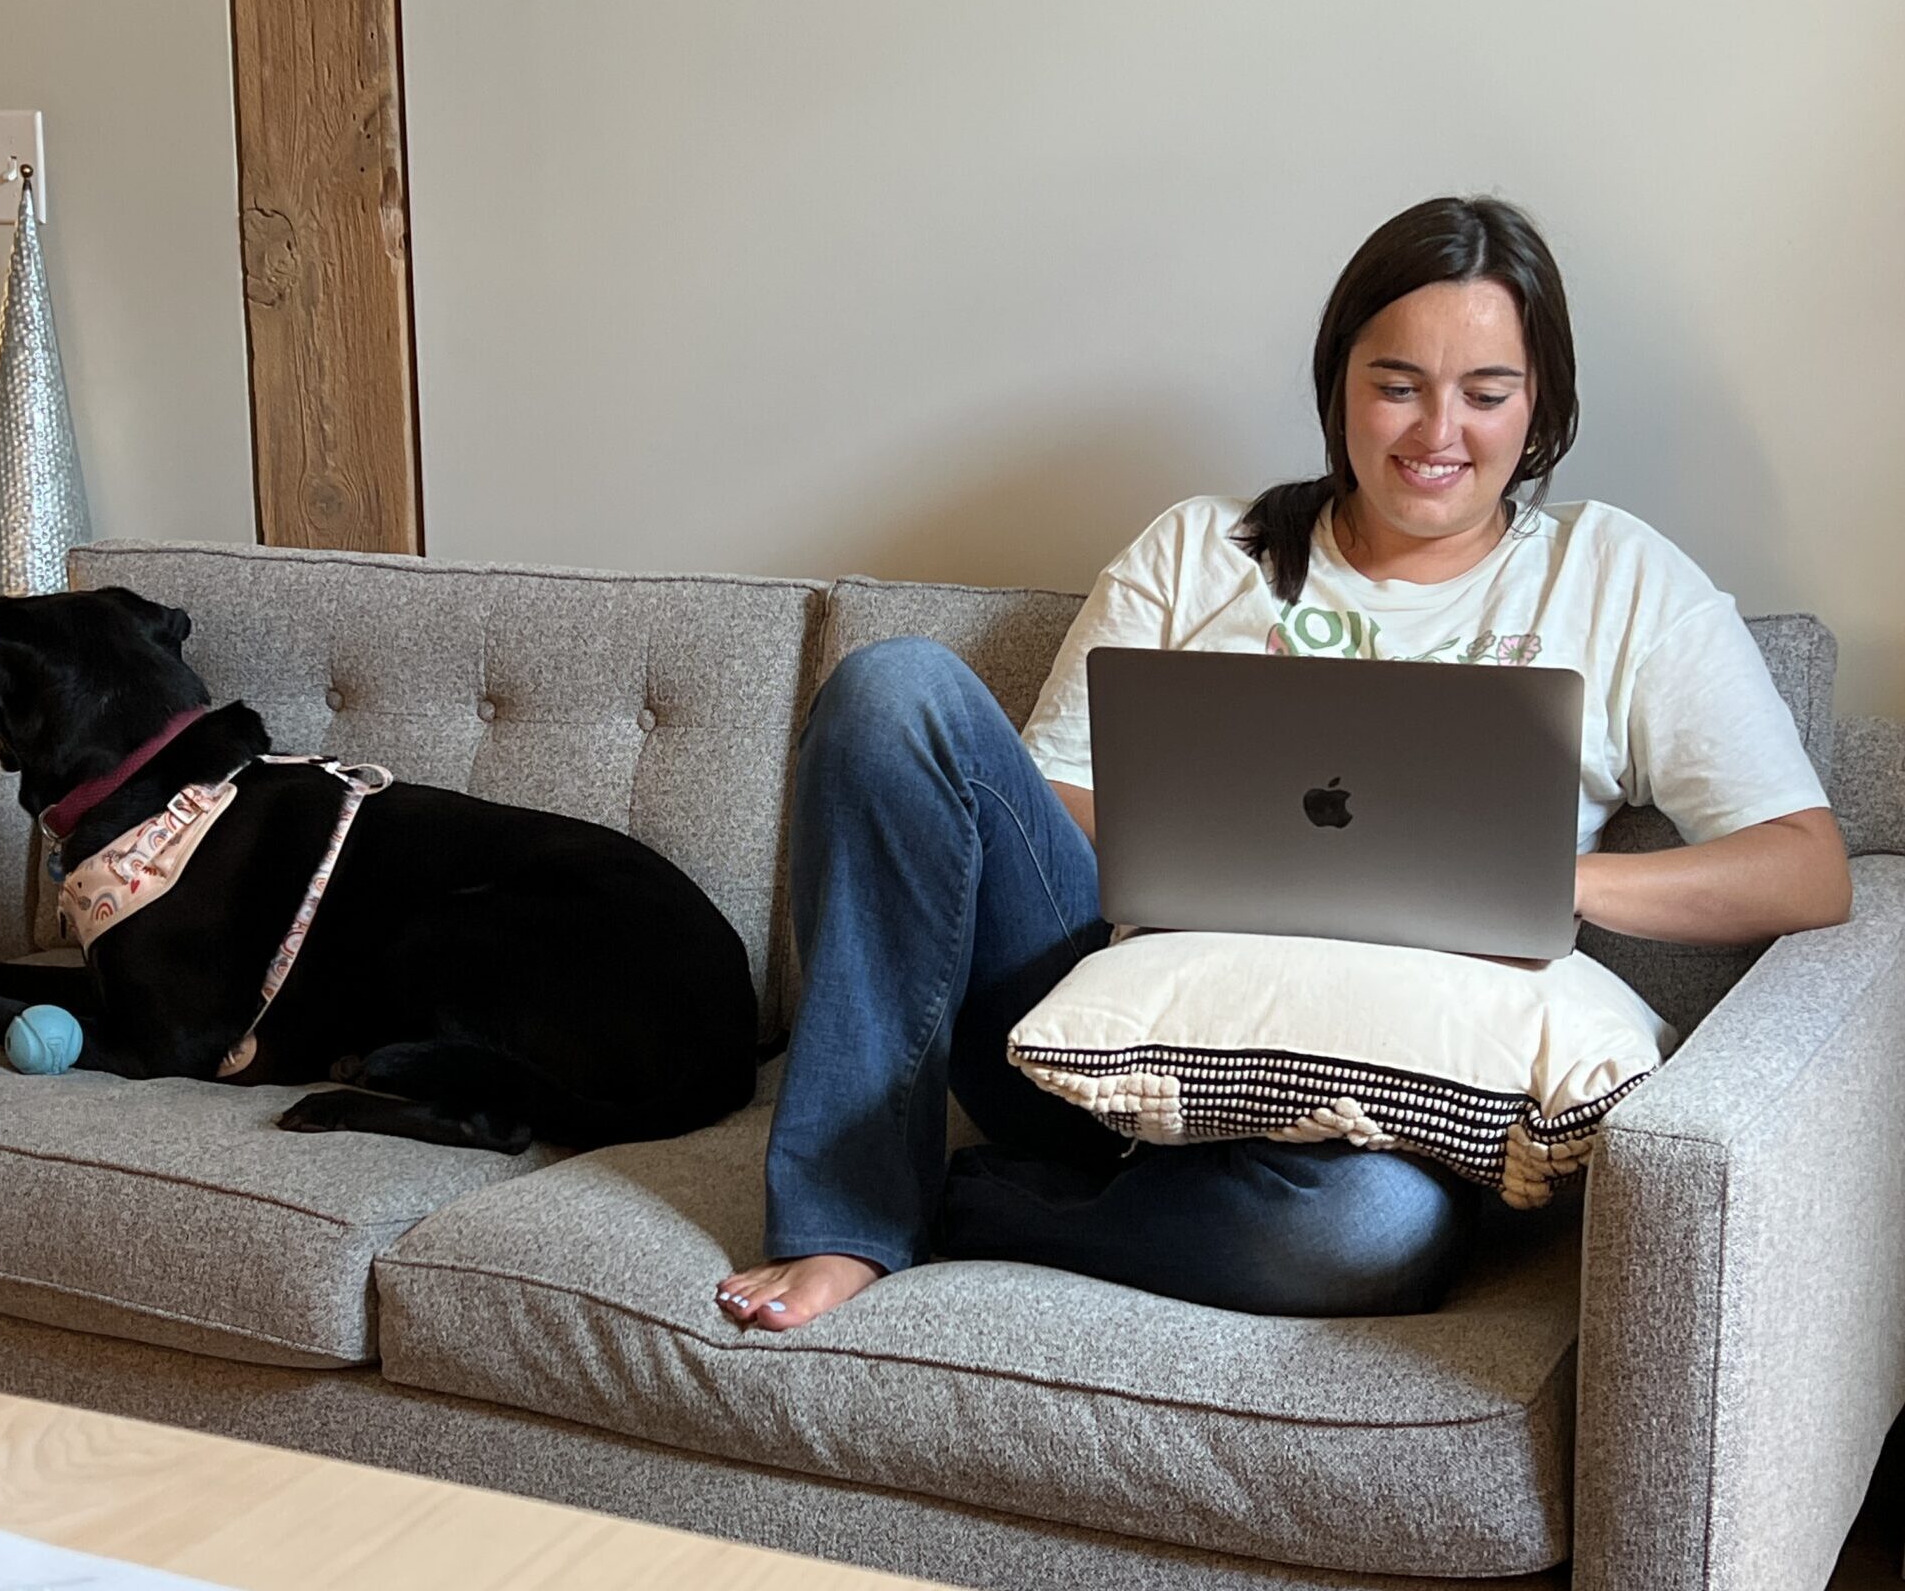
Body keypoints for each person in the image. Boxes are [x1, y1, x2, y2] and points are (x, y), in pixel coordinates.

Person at [716, 195, 1852, 1332]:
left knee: (1362, 1239)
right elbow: (1034, 806)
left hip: (1374, 1118)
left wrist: (1538, 885)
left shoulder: (1614, 581)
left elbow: (1803, 870)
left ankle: (982, 1211)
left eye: (1485, 393)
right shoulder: (1197, 551)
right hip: (1093, 1051)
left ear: (1540, 400)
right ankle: (847, 1220)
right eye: (1396, 383)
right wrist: (1217, 848)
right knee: (891, 688)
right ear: (1337, 383)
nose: (1435, 432)